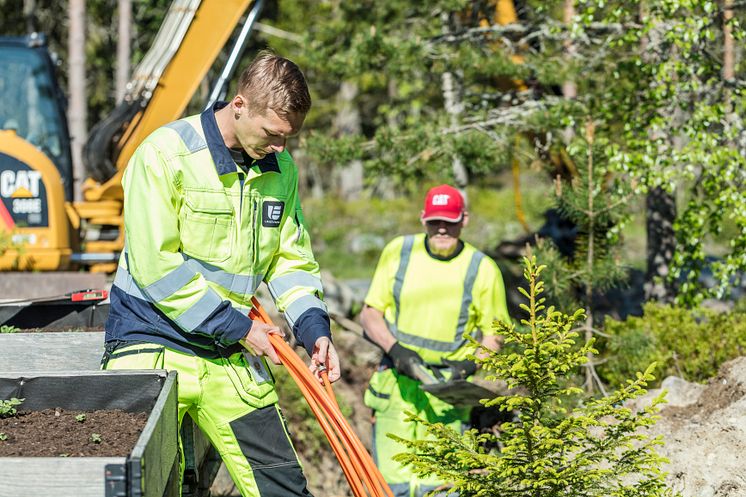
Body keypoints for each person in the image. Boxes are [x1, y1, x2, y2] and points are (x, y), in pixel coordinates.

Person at [101, 51, 340, 497]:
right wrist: (240, 327)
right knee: (140, 485)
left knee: (284, 488)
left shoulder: (279, 169)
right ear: (239, 105)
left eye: (289, 138)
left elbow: (291, 261)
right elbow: (158, 268)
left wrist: (313, 329)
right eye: (272, 134)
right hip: (151, 344)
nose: (281, 148)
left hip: (229, 353)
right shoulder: (165, 153)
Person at [360, 184, 510, 497]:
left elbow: (496, 335)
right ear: (423, 219)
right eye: (434, 221)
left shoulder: (482, 268)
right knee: (390, 486)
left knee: (440, 487)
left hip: (448, 395)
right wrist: (395, 349)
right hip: (397, 387)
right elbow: (371, 314)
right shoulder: (399, 252)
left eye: (450, 221)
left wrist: (469, 364)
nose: (442, 229)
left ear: (464, 220)